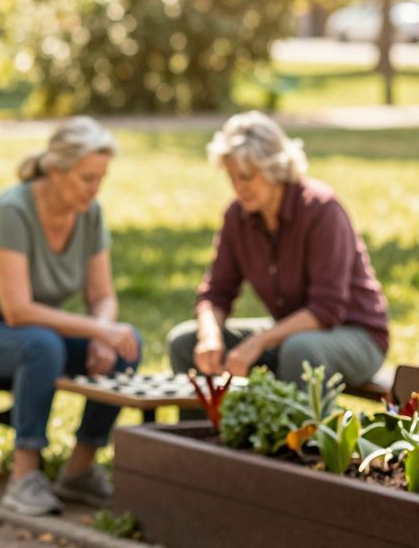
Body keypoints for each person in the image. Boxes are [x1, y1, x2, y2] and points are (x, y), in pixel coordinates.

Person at [0, 116, 141, 516]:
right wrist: (99, 329)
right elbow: (18, 311)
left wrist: (103, 333)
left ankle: (79, 471)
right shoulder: (14, 209)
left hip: (34, 335)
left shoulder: (90, 213)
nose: (95, 188)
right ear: (57, 171)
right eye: (87, 178)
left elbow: (102, 295)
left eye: (101, 178)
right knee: (42, 345)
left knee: (126, 344)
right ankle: (24, 476)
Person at [167, 111, 389, 388]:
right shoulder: (237, 216)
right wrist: (209, 337)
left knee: (300, 350)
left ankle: (300, 420)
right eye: (232, 177)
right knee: (184, 342)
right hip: (290, 333)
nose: (238, 187)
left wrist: (259, 342)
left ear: (274, 168)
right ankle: (205, 419)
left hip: (356, 336)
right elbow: (216, 293)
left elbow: (327, 309)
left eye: (246, 177)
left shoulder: (321, 210)